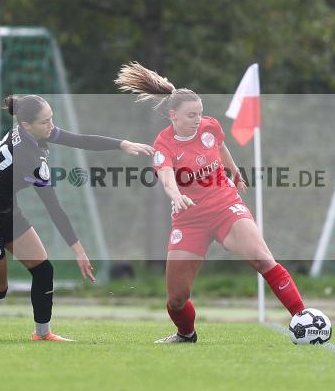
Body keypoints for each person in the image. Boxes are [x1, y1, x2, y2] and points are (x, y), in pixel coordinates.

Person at [0, 94, 153, 340]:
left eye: (51, 119)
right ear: (26, 125)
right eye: (45, 122)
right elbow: (52, 206)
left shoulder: (32, 133)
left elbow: (79, 140)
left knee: (44, 270)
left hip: (7, 212)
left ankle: (42, 334)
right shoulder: (26, 157)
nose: (51, 126)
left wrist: (122, 144)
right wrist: (78, 250)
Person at [115, 62, 307, 344]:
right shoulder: (164, 144)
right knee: (176, 299)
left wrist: (234, 171)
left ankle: (303, 318)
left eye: (200, 113)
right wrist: (177, 196)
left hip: (224, 205)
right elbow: (167, 178)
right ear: (173, 116)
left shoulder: (210, 127)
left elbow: (219, 145)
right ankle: (186, 334)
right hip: (189, 218)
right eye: (191, 115)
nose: (197, 119)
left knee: (263, 258)